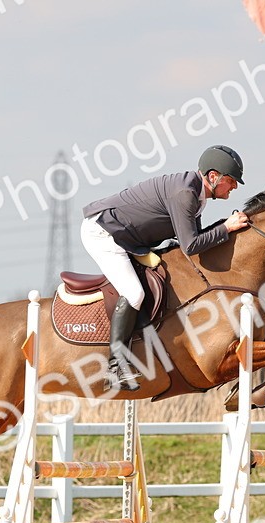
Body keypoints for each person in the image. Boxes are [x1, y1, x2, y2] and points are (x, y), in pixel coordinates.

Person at [81, 144, 251, 390]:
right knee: (134, 293)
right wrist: (226, 228)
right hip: (105, 233)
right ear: (213, 177)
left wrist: (225, 226)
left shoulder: (196, 193)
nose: (234, 186)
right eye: (232, 181)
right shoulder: (185, 193)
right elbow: (191, 245)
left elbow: (195, 237)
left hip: (129, 237)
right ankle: (115, 367)